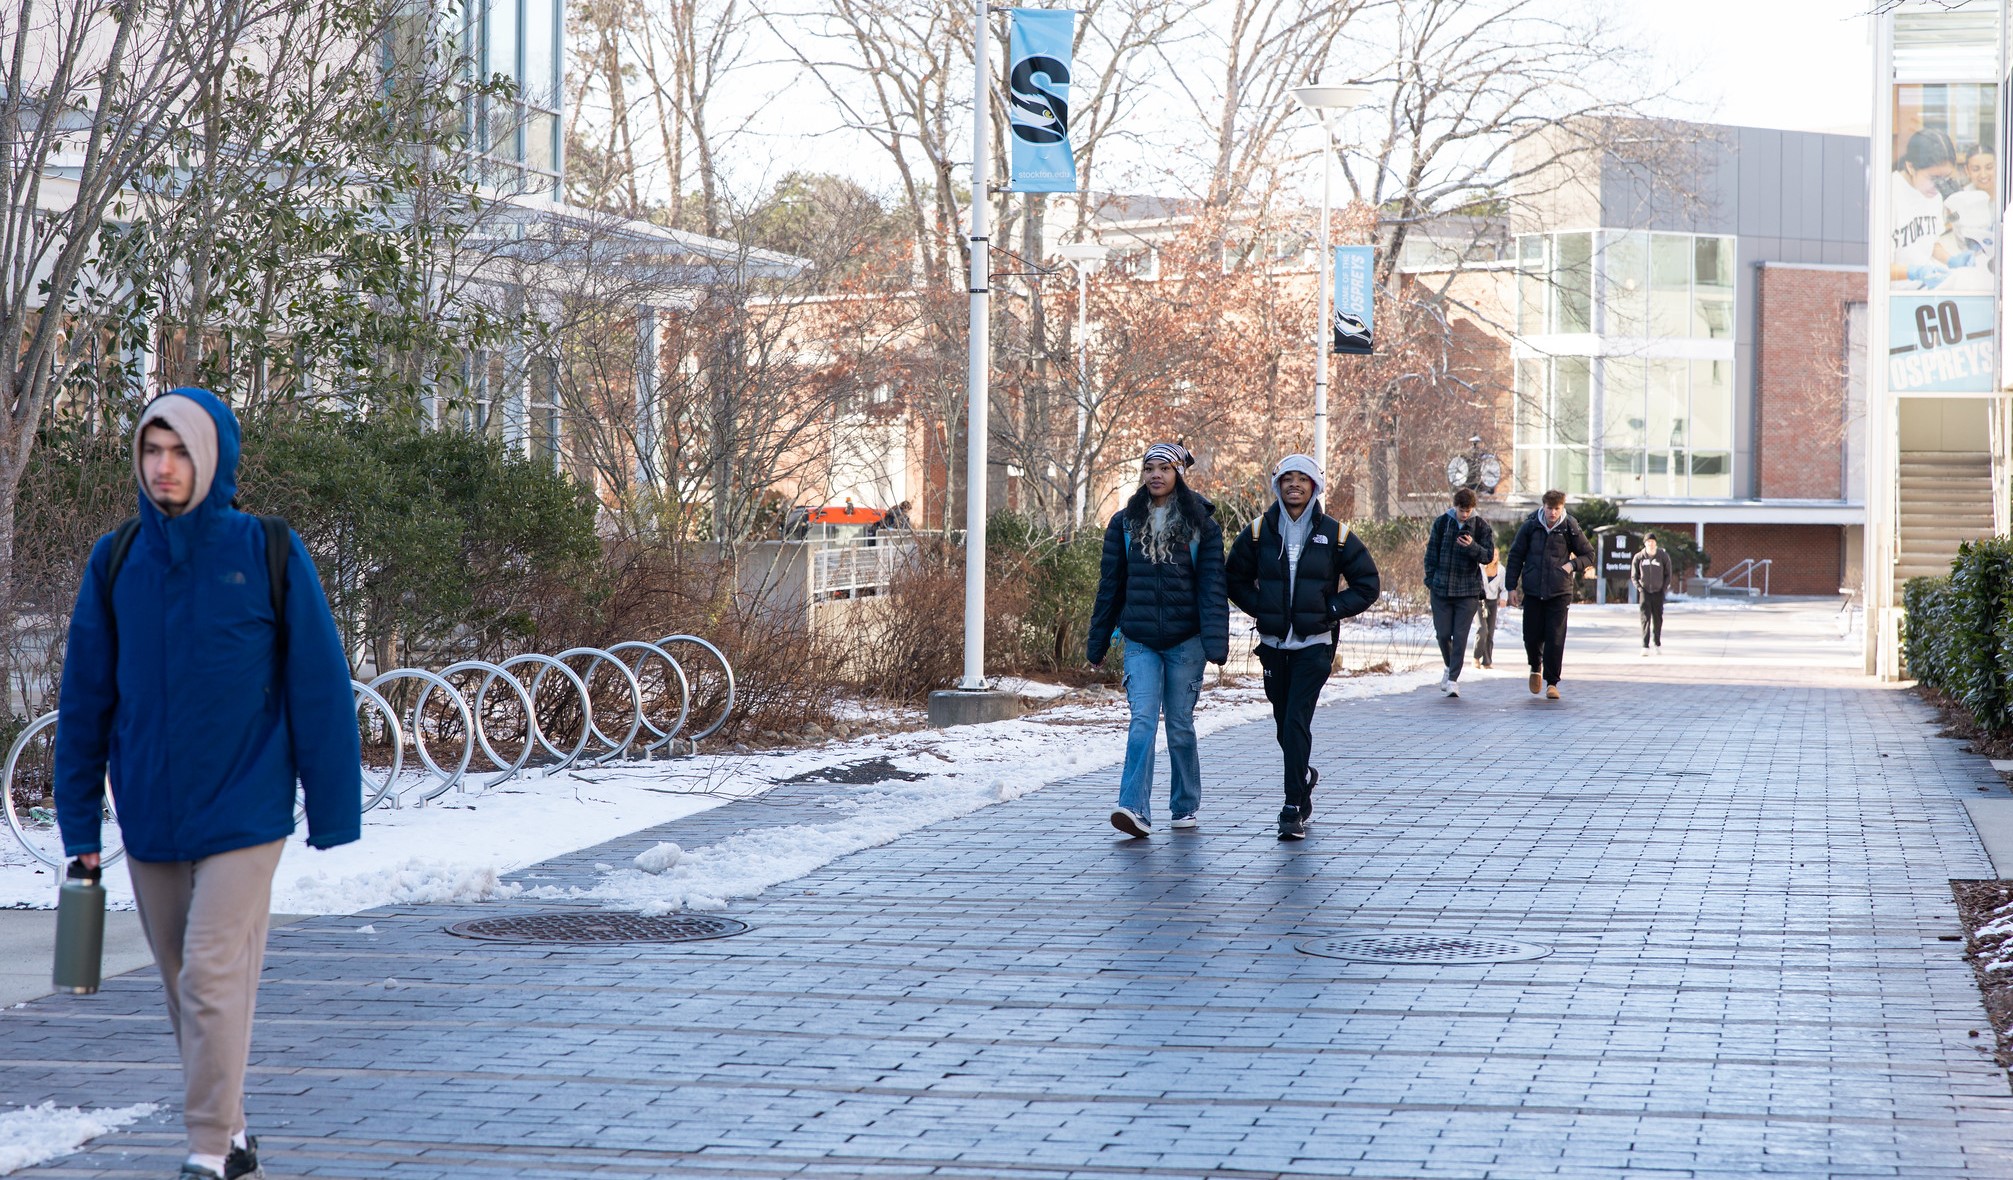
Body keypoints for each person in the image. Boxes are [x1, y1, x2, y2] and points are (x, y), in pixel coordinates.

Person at [53, 388, 361, 1180]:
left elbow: (318, 687)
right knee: (181, 985)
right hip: (151, 811)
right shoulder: (116, 559)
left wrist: (331, 810)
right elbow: (86, 699)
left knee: (210, 972)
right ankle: (235, 1131)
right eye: (152, 451)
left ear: (212, 455)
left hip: (246, 807)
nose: (164, 467)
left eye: (181, 451)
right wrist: (80, 832)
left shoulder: (266, 551)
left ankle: (203, 1149)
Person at [1225, 454, 1380, 841]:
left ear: (1315, 486)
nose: (1294, 485)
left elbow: (1367, 585)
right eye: (1287, 479)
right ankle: (1304, 775)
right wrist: (1261, 607)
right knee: (1284, 724)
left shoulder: (1336, 534)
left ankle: (1292, 806)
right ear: (1277, 485)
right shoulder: (1259, 531)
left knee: (1295, 720)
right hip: (1274, 645)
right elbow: (1234, 578)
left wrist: (1329, 610)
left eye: (1303, 479)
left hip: (1315, 645)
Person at [1086, 442, 1228, 838]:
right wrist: (1097, 643)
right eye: (1149, 467)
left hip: (1187, 642)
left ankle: (1185, 805)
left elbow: (1213, 588)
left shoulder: (1202, 525)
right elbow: (1110, 586)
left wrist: (1216, 643)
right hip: (1141, 641)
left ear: (1179, 473)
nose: (1156, 475)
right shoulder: (1124, 523)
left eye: (1164, 467)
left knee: (1180, 724)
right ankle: (1133, 809)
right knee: (1142, 722)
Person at [1502, 489, 1595, 701]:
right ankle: (1536, 667)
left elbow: (1589, 555)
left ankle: (1552, 683)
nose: (1553, 513)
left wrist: (1571, 565)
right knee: (1531, 636)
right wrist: (1511, 588)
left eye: (1557, 509)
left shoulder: (1569, 526)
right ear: (1543, 506)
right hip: (1533, 590)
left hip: (1559, 591)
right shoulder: (1531, 525)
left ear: (1562, 508)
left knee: (1555, 638)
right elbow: (1516, 555)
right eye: (1549, 508)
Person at [1423, 487, 1494, 697]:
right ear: (1455, 506)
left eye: (1468, 510)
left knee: (1461, 635)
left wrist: (1472, 546)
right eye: (1462, 509)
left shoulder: (1481, 527)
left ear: (1473, 508)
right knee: (1443, 634)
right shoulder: (1442, 523)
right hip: (1441, 589)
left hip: (1468, 591)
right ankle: (1449, 665)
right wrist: (1430, 580)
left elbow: (1488, 556)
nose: (1464, 514)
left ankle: (1453, 679)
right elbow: (1431, 554)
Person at [1891, 129, 1966, 288]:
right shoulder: (1889, 194)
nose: (1940, 186)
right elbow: (1878, 268)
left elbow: (1930, 242)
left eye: (1945, 178)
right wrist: (1915, 272)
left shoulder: (1933, 195)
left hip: (1924, 293)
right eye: (1934, 178)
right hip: (1895, 298)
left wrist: (1951, 261)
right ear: (1911, 167)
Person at [1631, 532, 1676, 656]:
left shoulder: (1663, 556)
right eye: (1648, 542)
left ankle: (1657, 643)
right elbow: (1634, 576)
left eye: (1653, 541)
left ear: (1656, 543)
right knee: (1645, 619)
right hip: (1645, 592)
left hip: (1658, 592)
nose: (1651, 544)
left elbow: (1668, 574)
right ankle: (1645, 645)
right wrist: (1640, 588)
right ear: (1645, 543)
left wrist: (1664, 588)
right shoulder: (1639, 557)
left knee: (1658, 618)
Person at [1475, 556, 1506, 670]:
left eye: (1496, 555)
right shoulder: (1480, 567)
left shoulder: (1501, 570)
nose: (1494, 558)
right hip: (1479, 601)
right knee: (1482, 630)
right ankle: (1476, 656)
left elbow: (1504, 587)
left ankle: (1487, 661)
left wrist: (1503, 598)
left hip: (1492, 602)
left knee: (1490, 632)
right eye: (1492, 555)